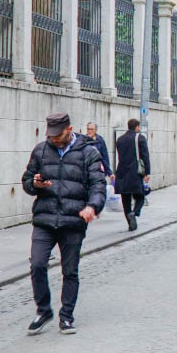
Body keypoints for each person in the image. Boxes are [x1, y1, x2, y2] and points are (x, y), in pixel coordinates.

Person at [22, 112, 105, 335]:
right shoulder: (41, 150)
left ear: (69, 130)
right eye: (50, 136)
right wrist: (35, 184)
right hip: (44, 219)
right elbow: (27, 180)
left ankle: (66, 316)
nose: (54, 140)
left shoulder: (88, 152)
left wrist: (92, 207)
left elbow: (98, 184)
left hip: (73, 220)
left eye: (57, 136)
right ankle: (43, 311)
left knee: (70, 271)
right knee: (37, 264)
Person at [114, 118, 151, 231]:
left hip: (121, 172)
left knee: (125, 200)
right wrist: (147, 172)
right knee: (140, 196)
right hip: (135, 172)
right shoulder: (140, 138)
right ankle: (134, 213)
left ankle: (130, 222)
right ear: (137, 127)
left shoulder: (120, 139)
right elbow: (145, 156)